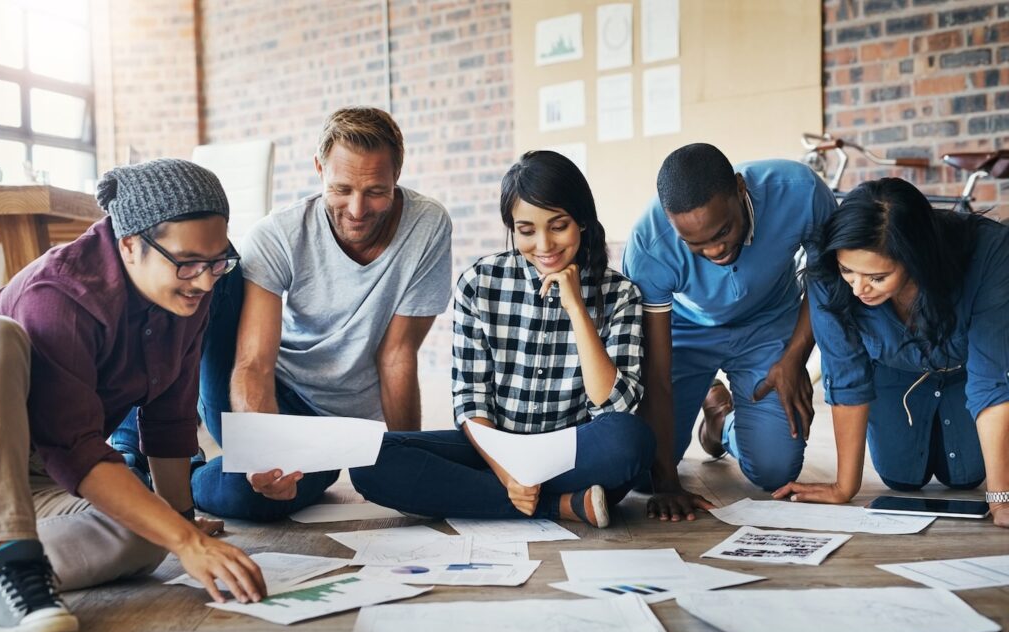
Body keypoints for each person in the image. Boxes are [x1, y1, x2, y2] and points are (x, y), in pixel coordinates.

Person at [0, 159, 265, 632]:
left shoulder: (188, 293)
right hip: (4, 463)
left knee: (147, 535)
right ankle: (8, 554)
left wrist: (180, 522)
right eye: (188, 263)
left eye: (218, 260)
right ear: (130, 243)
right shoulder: (59, 293)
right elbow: (74, 446)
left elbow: (170, 416)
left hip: (42, 481)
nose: (204, 280)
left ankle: (4, 561)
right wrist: (188, 542)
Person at [167, 106, 453, 521]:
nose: (357, 210)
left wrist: (407, 461)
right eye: (342, 189)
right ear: (319, 169)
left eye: (375, 191)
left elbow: (396, 355)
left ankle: (208, 471)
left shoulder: (427, 226)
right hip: (265, 388)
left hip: (333, 425)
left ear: (397, 175)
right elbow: (253, 364)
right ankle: (178, 459)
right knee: (223, 263)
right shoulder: (278, 234)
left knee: (251, 501)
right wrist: (266, 454)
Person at [349, 150, 655, 526]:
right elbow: (471, 401)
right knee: (368, 459)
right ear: (512, 227)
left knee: (630, 441)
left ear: (583, 222)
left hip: (573, 452)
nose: (544, 245)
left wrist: (576, 308)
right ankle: (560, 506)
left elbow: (614, 407)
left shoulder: (620, 294)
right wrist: (507, 471)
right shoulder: (480, 284)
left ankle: (500, 498)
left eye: (558, 225)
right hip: (495, 448)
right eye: (527, 231)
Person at [773, 178, 1009, 529]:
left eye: (877, 277)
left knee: (968, 476)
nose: (857, 288)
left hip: (968, 373)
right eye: (848, 270)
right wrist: (844, 486)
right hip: (894, 375)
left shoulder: (990, 252)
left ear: (917, 258)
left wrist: (1000, 499)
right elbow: (846, 374)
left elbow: (991, 381)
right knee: (899, 476)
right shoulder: (827, 268)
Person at [623, 143, 837, 521]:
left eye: (723, 231)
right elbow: (655, 373)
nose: (715, 250)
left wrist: (794, 358)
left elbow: (826, 279)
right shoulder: (648, 244)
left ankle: (721, 423)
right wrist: (669, 485)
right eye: (695, 244)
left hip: (769, 324)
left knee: (774, 471)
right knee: (644, 474)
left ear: (740, 189)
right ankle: (709, 392)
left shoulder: (799, 191)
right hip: (685, 333)